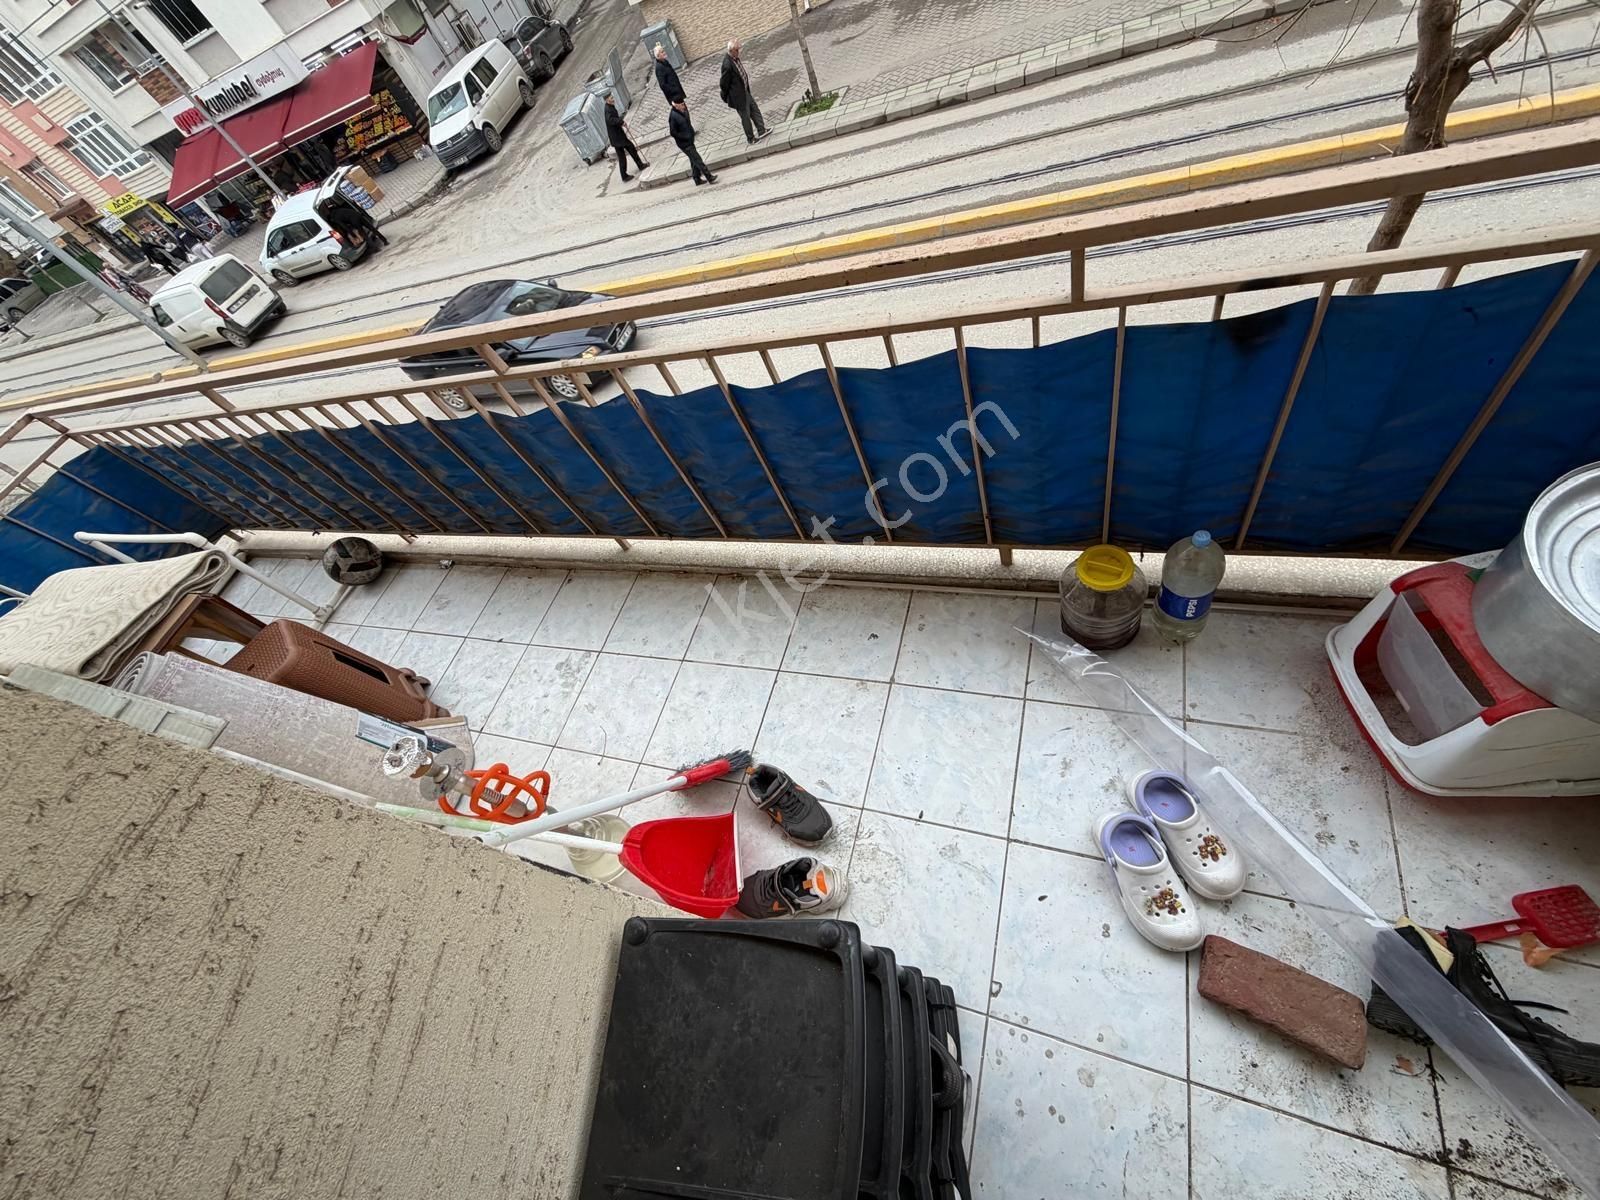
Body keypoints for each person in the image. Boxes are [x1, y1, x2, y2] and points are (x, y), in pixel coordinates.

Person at [719, 38, 769, 145]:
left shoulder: (735, 58)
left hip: (745, 91)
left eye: (739, 49)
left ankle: (761, 130)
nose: (739, 52)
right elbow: (723, 84)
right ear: (731, 50)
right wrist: (726, 96)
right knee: (745, 117)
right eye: (737, 50)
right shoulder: (727, 65)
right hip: (738, 97)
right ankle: (750, 139)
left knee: (754, 109)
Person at [668, 99, 715, 186]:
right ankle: (709, 177)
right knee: (697, 159)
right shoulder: (673, 117)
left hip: (690, 139)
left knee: (693, 160)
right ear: (676, 105)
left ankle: (696, 178)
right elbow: (673, 132)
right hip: (684, 143)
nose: (684, 106)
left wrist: (691, 133)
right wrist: (684, 137)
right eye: (681, 104)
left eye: (684, 104)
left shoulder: (683, 110)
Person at [603, 93, 648, 182]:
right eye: (611, 98)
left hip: (616, 137)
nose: (613, 99)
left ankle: (625, 175)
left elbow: (613, 119)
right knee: (631, 148)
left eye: (612, 97)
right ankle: (639, 166)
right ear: (607, 100)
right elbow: (610, 120)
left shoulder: (609, 106)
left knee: (622, 156)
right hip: (618, 137)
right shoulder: (608, 109)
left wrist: (620, 120)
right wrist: (621, 121)